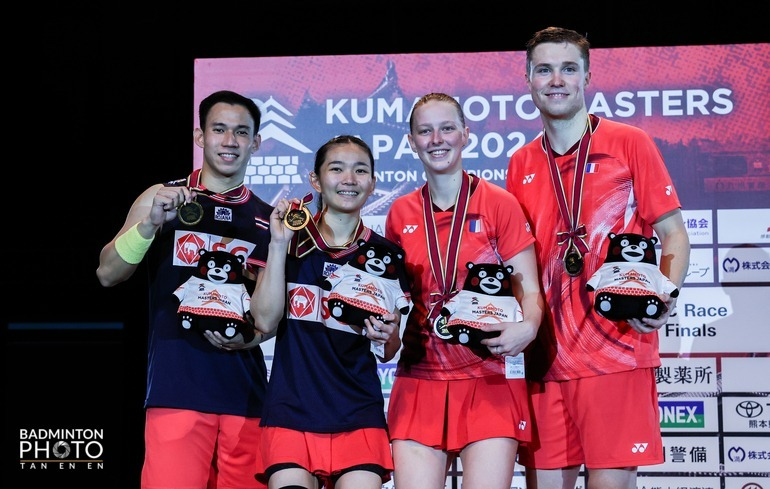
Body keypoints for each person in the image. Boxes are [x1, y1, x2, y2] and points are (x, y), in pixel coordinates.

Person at [505, 27, 692, 489]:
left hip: (616, 349)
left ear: (587, 76)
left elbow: (673, 234)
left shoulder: (630, 142)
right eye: (544, 69)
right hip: (543, 357)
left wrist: (664, 296)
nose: (556, 79)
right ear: (528, 79)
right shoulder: (521, 162)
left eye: (568, 68)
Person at [96, 90, 273, 489]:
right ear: (200, 136)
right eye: (219, 129)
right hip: (176, 390)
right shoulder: (160, 198)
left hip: (246, 397)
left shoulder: (268, 220)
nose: (230, 141)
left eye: (242, 132)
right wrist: (149, 225)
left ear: (256, 143)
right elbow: (108, 273)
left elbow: (273, 314)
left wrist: (255, 338)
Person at [384, 92, 544, 489]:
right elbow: (394, 299)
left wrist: (529, 328)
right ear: (411, 141)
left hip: (487, 375)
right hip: (420, 378)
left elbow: (531, 293)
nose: (437, 139)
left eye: (447, 128)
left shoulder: (499, 204)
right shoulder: (400, 213)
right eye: (425, 130)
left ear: (466, 135)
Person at [249, 135, 410, 489]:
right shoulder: (287, 240)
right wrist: (278, 244)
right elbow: (263, 320)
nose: (349, 179)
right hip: (291, 412)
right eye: (336, 169)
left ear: (373, 182)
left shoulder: (387, 255)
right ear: (316, 180)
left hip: (358, 413)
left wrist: (388, 337)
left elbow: (391, 348)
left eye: (360, 170)